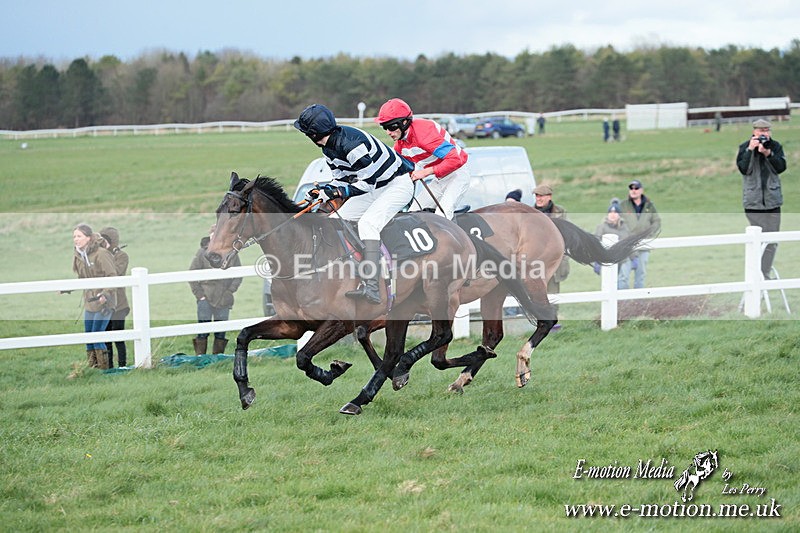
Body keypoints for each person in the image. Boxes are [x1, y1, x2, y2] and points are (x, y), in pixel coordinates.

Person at [294, 103, 415, 305]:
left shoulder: (350, 145)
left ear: (313, 134)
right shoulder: (329, 148)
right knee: (334, 220)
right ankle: (352, 270)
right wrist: (324, 191)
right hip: (377, 187)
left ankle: (373, 286)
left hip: (396, 186)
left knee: (368, 224)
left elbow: (367, 183)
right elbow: (341, 179)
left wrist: (338, 192)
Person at [375, 98, 470, 220]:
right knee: (412, 214)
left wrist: (425, 172)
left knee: (442, 215)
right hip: (439, 179)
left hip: (458, 175)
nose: (388, 132)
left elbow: (455, 160)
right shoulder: (400, 144)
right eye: (384, 127)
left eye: (391, 127)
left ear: (404, 122)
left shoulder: (423, 133)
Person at [736, 118, 787, 279]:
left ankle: (763, 272)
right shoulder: (745, 147)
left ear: (769, 132)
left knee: (772, 239)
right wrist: (751, 150)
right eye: (760, 131)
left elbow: (781, 167)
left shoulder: (775, 146)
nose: (763, 134)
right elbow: (744, 169)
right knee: (757, 239)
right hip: (753, 202)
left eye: (766, 131)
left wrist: (768, 153)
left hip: (772, 201)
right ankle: (757, 272)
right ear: (754, 132)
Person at [189, 225, 242, 355]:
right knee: (203, 330)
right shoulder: (202, 253)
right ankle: (200, 358)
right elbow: (192, 274)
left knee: (221, 331)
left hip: (224, 297)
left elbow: (238, 275)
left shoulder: (232, 254)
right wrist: (200, 295)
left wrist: (230, 291)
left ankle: (218, 358)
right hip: (205, 297)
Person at [72, 223, 117, 369]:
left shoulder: (101, 253)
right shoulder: (78, 255)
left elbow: (112, 276)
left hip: (105, 302)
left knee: (97, 335)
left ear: (89, 238)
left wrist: (105, 294)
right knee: (88, 337)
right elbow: (81, 279)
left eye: (79, 236)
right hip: (89, 303)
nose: (76, 239)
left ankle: (104, 370)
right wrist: (67, 289)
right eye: (74, 236)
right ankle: (93, 369)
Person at [619, 180, 661, 289]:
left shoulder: (649, 206)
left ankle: (638, 304)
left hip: (644, 245)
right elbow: (616, 221)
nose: (633, 191)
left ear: (641, 190)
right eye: (631, 188)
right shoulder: (623, 205)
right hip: (627, 247)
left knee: (640, 275)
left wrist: (649, 233)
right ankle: (623, 303)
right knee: (623, 275)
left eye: (636, 188)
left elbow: (656, 221)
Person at [99, 227, 130, 367]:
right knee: (106, 337)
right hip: (104, 304)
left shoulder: (121, 256)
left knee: (118, 336)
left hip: (119, 304)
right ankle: (108, 366)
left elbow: (115, 272)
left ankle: (122, 366)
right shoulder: (100, 256)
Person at [533, 184, 570, 294]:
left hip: (554, 259)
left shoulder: (560, 212)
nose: (538, 199)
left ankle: (553, 311)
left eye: (541, 196)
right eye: (537, 196)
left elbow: (566, 232)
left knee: (553, 296)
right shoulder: (530, 213)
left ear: (549, 197)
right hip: (535, 260)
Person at [594, 200, 632, 289]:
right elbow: (595, 244)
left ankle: (622, 302)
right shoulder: (602, 227)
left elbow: (630, 242)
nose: (612, 214)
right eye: (610, 212)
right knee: (610, 284)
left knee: (623, 281)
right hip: (607, 259)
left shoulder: (625, 228)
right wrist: (596, 261)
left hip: (623, 259)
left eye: (615, 212)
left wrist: (635, 257)